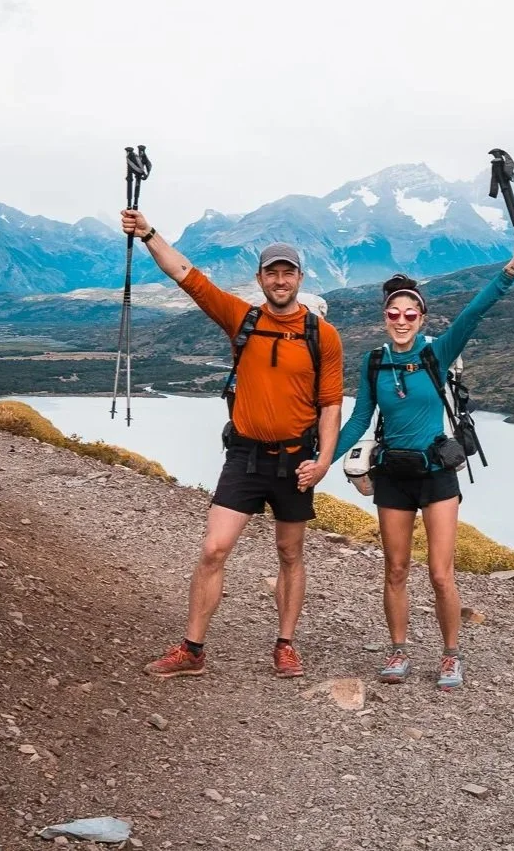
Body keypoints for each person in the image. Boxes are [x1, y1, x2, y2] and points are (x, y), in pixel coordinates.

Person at [121, 208, 344, 679]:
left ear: (300, 278)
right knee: (214, 550)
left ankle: (285, 644)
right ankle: (192, 649)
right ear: (260, 278)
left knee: (290, 554)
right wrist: (148, 233)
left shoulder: (322, 335)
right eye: (272, 273)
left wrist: (324, 460)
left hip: (296, 460)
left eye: (288, 272)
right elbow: (188, 276)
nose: (280, 280)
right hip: (244, 456)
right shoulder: (241, 318)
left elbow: (330, 405)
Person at [336, 242, 514, 690]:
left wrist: (510, 270)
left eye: (411, 314)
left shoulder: (436, 354)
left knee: (441, 573)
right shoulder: (374, 363)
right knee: (396, 569)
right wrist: (318, 463)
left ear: (422, 319)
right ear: (384, 318)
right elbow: (358, 422)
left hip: (436, 475)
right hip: (392, 476)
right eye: (394, 313)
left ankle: (450, 655)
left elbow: (473, 314)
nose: (402, 320)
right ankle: (398, 650)